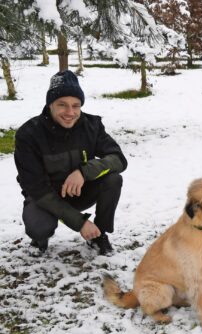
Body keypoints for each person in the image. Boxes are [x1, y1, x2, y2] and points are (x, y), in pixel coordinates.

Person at [14, 70, 127, 256]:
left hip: (79, 193)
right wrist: (79, 222)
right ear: (50, 104)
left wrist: (83, 172)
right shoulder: (29, 134)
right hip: (45, 198)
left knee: (113, 179)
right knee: (38, 226)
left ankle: (99, 234)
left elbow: (118, 159)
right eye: (62, 105)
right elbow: (36, 187)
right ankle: (40, 238)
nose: (70, 112)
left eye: (76, 106)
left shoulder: (91, 126)